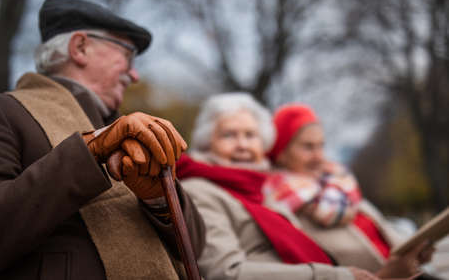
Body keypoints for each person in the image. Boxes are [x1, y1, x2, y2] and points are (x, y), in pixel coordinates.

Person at [0, 0, 204, 280]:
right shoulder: (7, 111)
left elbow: (197, 247)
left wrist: (158, 197)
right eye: (128, 56)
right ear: (80, 47)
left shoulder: (127, 127)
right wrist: (89, 149)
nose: (134, 75)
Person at [173, 92, 429, 280]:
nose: (242, 145)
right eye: (229, 135)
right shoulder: (200, 190)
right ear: (207, 143)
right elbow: (224, 273)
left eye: (250, 136)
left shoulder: (260, 189)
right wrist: (342, 277)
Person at [266, 103, 436, 279]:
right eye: (308, 147)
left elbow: (383, 237)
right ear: (281, 152)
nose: (318, 156)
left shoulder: (339, 186)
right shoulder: (283, 211)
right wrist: (386, 275)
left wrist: (416, 253)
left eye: (321, 146)